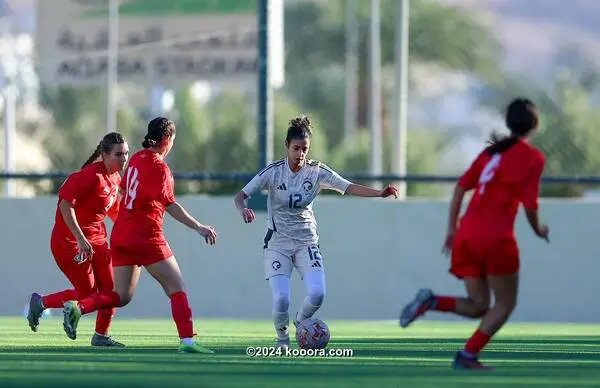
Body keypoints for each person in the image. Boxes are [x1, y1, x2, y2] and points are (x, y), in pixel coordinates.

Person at [399, 98, 550, 370]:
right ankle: (468, 355)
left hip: (466, 236)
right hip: (496, 239)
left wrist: (451, 229)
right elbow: (530, 205)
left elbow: (460, 187)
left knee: (479, 305)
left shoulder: (490, 153)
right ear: (534, 125)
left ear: (508, 122)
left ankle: (432, 301)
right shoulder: (532, 158)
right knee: (505, 304)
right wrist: (539, 229)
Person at [234, 116, 399, 349]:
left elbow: (348, 186)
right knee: (281, 298)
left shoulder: (316, 172)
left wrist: (380, 193)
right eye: (296, 148)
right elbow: (240, 195)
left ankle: (301, 321)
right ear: (286, 146)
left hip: (307, 243)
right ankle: (282, 339)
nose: (300, 154)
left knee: (318, 294)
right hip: (277, 243)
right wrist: (244, 209)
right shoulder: (273, 172)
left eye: (305, 149)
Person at [61, 117, 218, 354]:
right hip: (147, 237)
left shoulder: (135, 159)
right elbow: (170, 205)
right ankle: (187, 341)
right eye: (173, 139)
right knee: (176, 286)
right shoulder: (160, 167)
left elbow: (123, 191)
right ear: (166, 140)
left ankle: (79, 307)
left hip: (122, 235)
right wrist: (198, 226)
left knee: (121, 296)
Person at [27, 132, 129, 347]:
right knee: (87, 293)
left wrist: (132, 230)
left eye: (126, 153)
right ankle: (41, 302)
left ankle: (100, 336)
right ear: (104, 155)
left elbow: (113, 212)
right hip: (69, 242)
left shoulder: (116, 178)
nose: (124, 159)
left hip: (97, 240)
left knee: (111, 292)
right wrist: (80, 238)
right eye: (119, 154)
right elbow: (65, 205)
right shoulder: (90, 176)